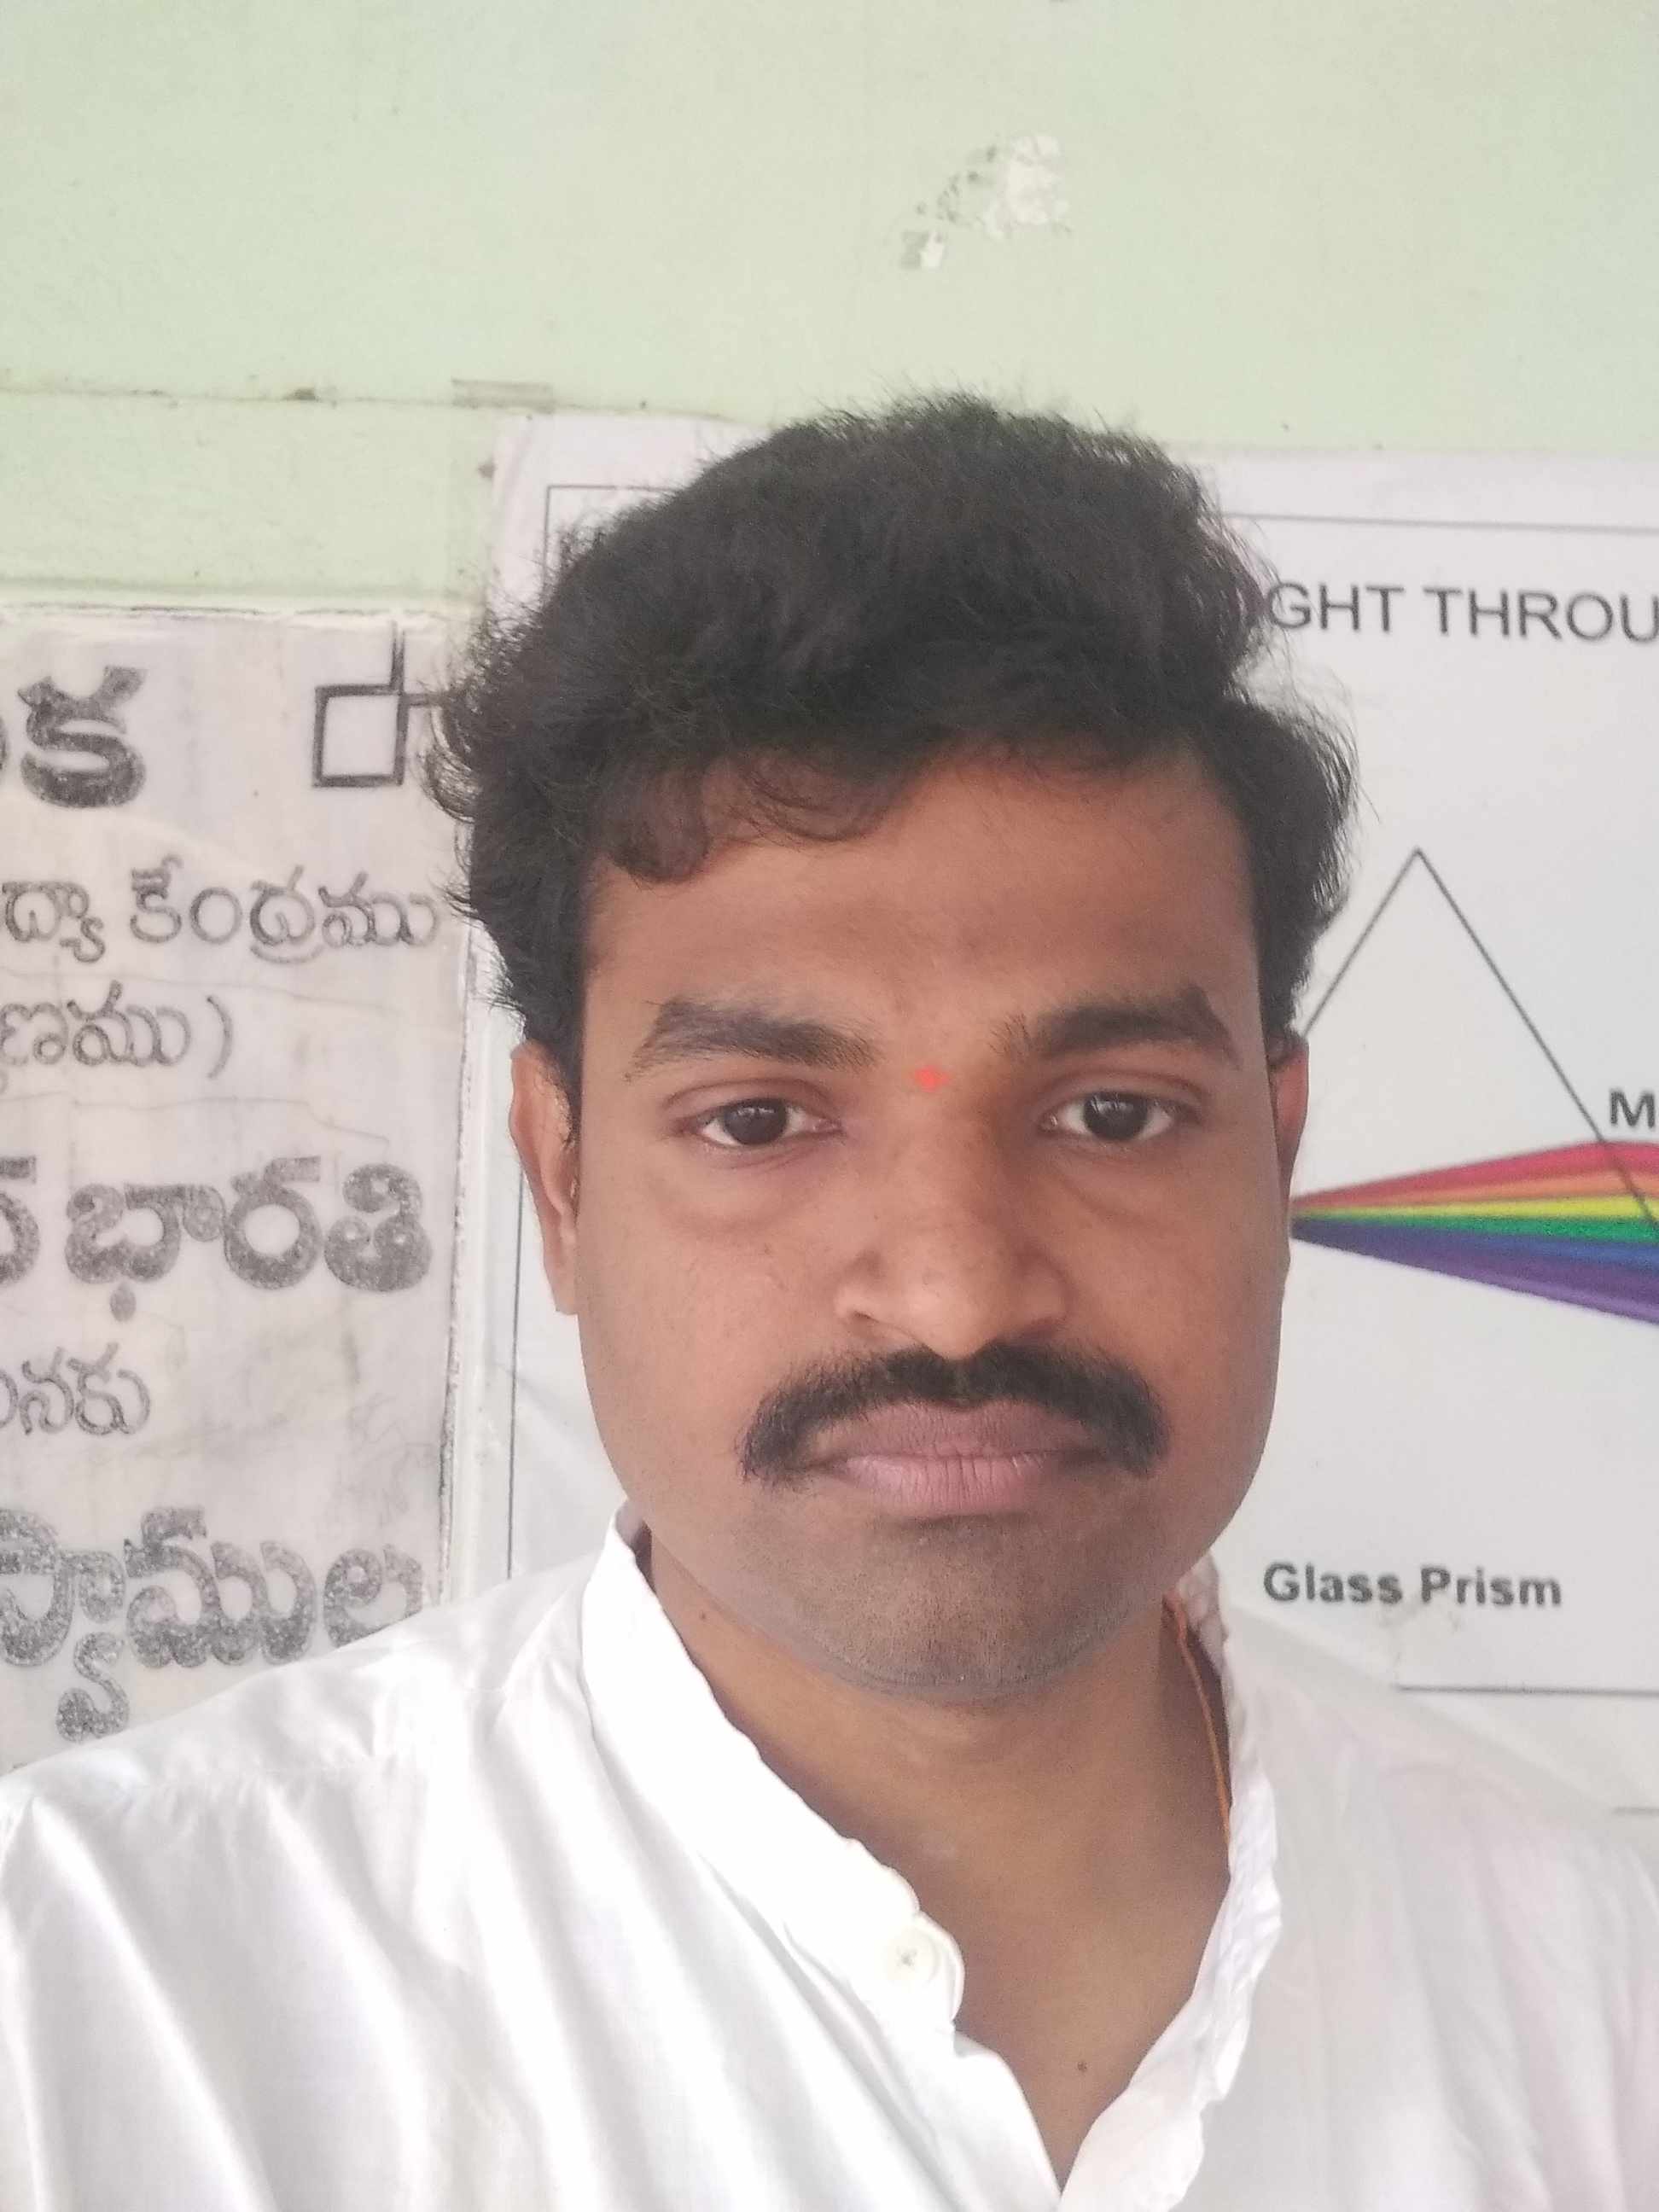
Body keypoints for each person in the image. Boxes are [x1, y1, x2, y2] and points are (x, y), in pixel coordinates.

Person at [1, 397, 1654, 2211]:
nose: (952, 1294)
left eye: (1111, 1114)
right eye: (761, 1120)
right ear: (561, 1180)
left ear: (1276, 1157)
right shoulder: (94, 2003)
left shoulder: (1595, 1995)